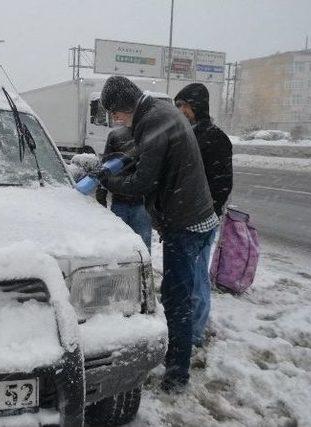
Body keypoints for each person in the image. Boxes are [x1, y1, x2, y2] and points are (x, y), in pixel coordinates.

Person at [97, 76, 218, 393]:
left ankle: (177, 375)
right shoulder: (159, 112)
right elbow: (146, 154)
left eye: (115, 114)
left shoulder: (152, 121)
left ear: (124, 108)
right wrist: (114, 163)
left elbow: (141, 184)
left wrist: (105, 181)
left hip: (186, 223)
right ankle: (179, 359)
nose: (116, 121)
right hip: (199, 216)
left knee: (176, 299)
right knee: (183, 293)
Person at [174, 83, 233, 347]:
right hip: (183, 219)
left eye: (183, 106)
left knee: (197, 281)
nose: (180, 111)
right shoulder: (186, 134)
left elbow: (222, 183)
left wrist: (208, 211)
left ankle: (195, 334)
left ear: (196, 106)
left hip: (201, 221)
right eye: (178, 106)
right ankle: (186, 329)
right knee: (185, 280)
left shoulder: (215, 138)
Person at [95, 126, 152, 253]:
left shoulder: (149, 133)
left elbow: (105, 169)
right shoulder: (116, 135)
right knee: (127, 247)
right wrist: (101, 198)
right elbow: (105, 168)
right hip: (126, 201)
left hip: (136, 202)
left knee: (124, 247)